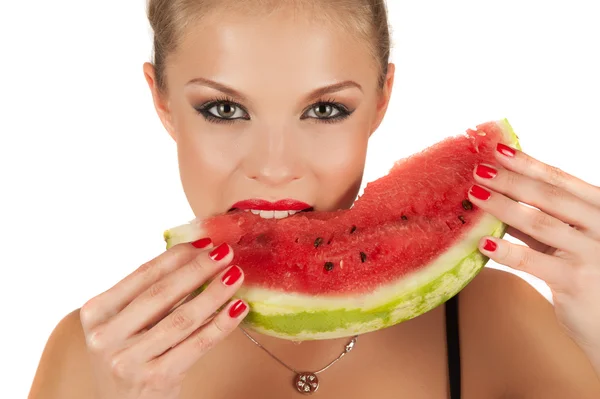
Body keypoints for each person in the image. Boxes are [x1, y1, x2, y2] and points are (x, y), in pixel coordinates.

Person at [28, 0, 600, 398]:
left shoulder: (495, 324)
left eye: (325, 110)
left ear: (381, 101)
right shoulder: (94, 355)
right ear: (163, 102)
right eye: (224, 109)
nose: (275, 168)